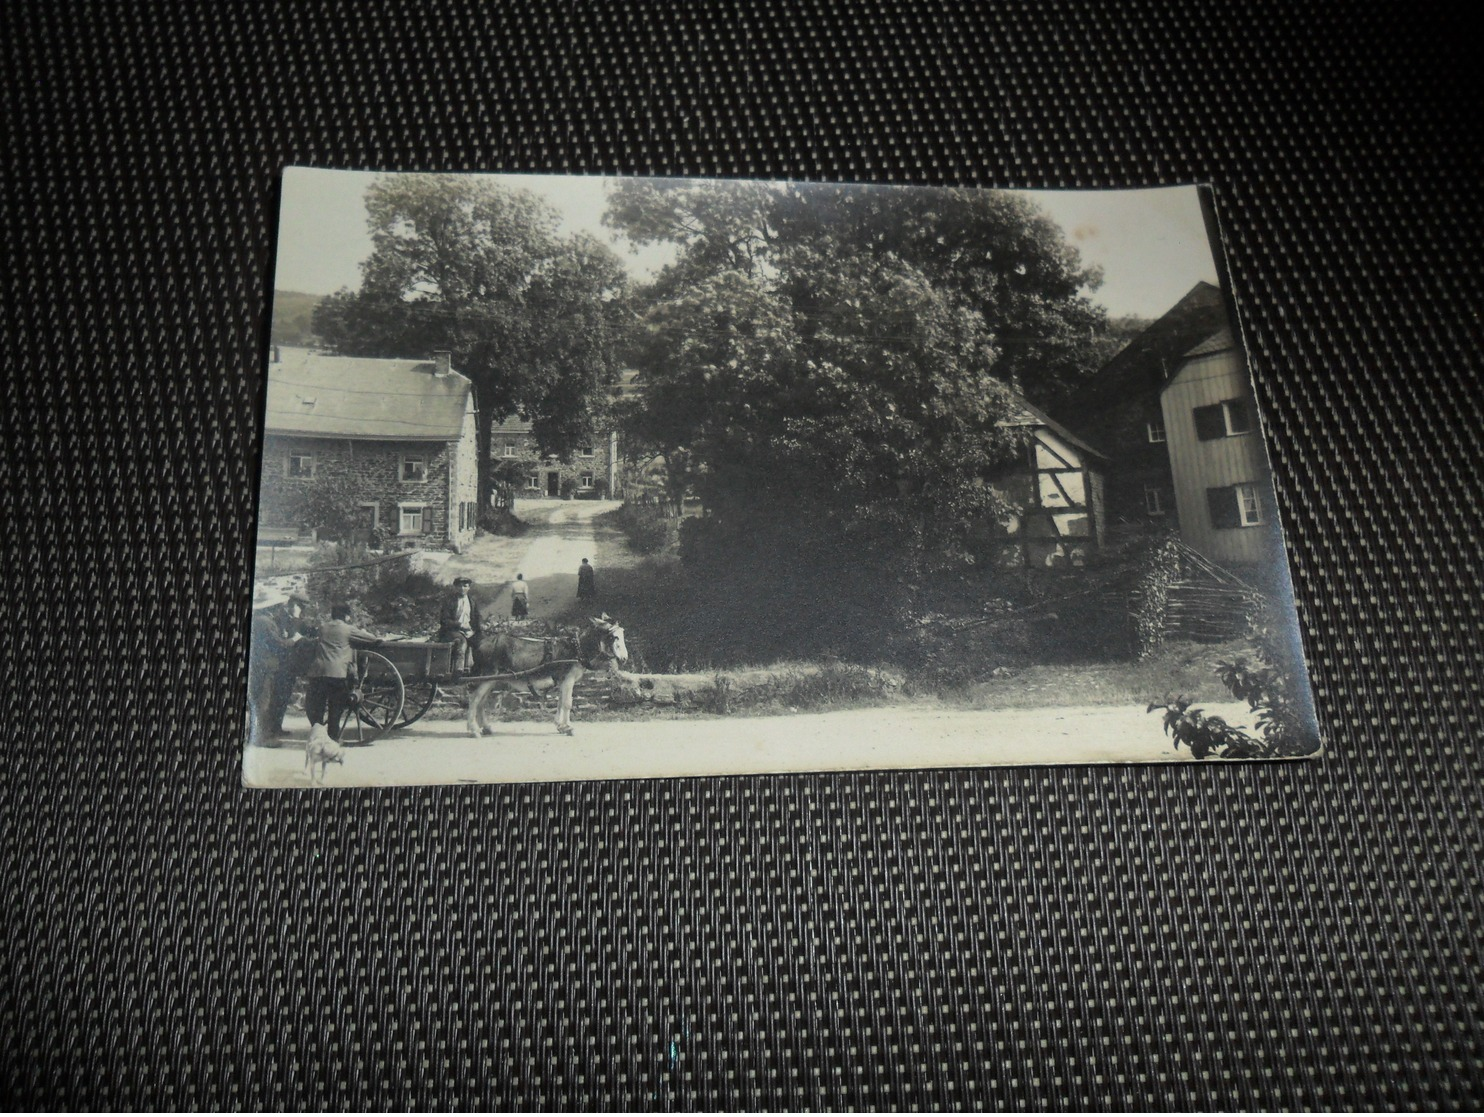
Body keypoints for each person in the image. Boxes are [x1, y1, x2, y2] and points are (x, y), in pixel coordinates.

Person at [304, 603, 380, 743]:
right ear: (346, 616)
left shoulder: (322, 627)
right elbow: (372, 639)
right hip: (337, 673)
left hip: (318, 672)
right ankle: (332, 738)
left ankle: (317, 737)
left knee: (317, 707)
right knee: (335, 707)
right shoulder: (348, 629)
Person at [248, 593, 308, 743]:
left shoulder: (266, 619)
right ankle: (264, 737)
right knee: (265, 701)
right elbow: (279, 643)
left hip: (274, 665)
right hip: (269, 666)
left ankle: (272, 730)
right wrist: (293, 639)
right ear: (272, 607)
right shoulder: (266, 622)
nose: (282, 608)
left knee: (273, 700)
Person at [437, 577, 482, 674]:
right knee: (461, 642)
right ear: (455, 587)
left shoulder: (472, 601)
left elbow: (477, 617)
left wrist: (479, 628)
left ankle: (476, 671)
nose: (462, 588)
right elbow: (444, 620)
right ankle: (458, 672)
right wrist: (460, 625)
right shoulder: (449, 601)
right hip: (451, 631)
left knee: (481, 644)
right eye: (459, 586)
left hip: (469, 632)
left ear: (469, 588)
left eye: (465, 586)